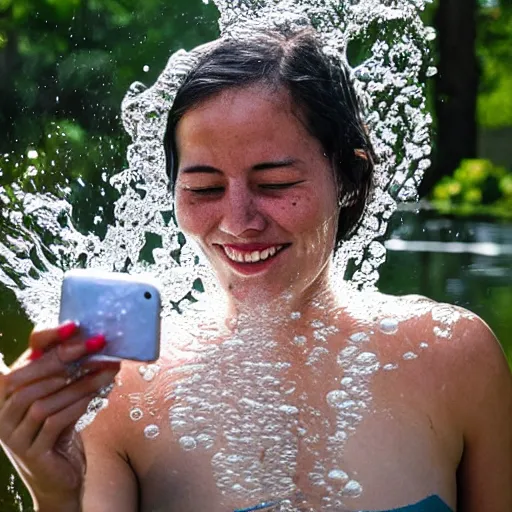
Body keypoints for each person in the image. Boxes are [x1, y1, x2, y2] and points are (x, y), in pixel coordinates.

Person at [0, 27, 511, 512]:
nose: (240, 222)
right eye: (204, 188)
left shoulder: (453, 357)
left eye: (275, 183)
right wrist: (54, 493)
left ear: (350, 177)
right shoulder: (120, 394)